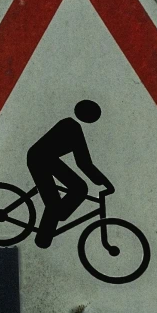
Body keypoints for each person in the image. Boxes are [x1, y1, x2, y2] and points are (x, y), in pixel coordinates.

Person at [26, 99, 109, 249]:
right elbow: (83, 163)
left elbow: (83, 162)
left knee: (78, 189)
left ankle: (58, 216)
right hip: (39, 159)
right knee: (59, 201)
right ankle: (42, 239)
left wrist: (99, 180)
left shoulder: (73, 126)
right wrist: (102, 181)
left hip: (48, 159)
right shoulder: (71, 126)